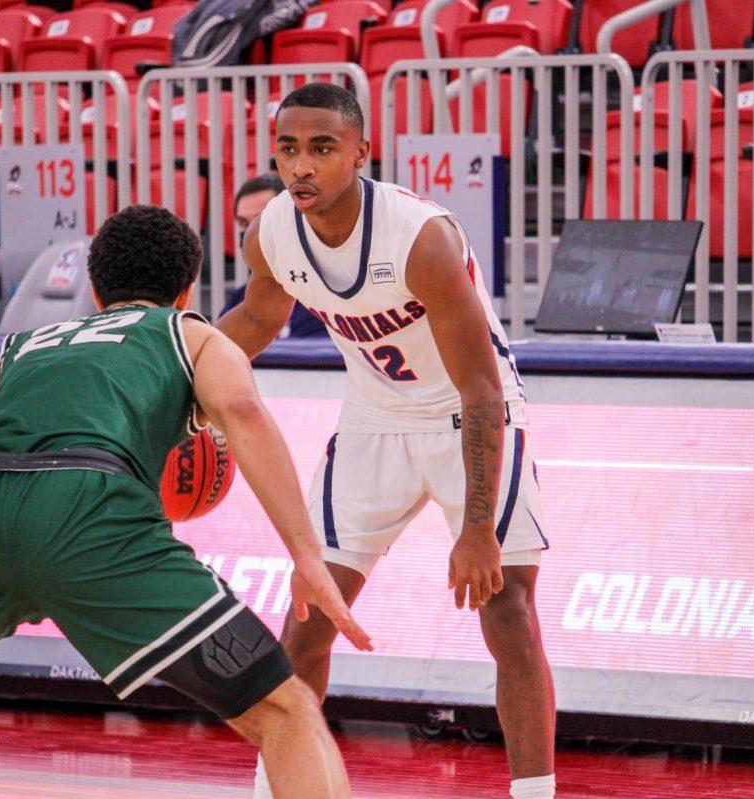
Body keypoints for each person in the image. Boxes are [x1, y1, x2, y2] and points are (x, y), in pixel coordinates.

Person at [0, 206, 371, 799]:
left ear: (95, 291)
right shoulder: (189, 333)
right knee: (287, 710)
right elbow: (239, 411)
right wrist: (305, 554)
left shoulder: (27, 344)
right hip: (88, 513)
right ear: (187, 291)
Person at [217, 83, 557, 799]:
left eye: (321, 148)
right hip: (373, 421)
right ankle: (277, 788)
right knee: (307, 619)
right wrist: (174, 375)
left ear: (360, 153)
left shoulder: (419, 236)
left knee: (509, 612)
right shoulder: (272, 230)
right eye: (288, 149)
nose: (301, 166)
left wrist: (475, 528)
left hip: (471, 417)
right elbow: (254, 320)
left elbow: (482, 391)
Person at [224, 172, 327, 339]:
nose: (250, 232)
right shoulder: (239, 299)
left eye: (259, 221)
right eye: (243, 223)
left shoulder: (322, 297)